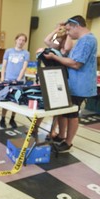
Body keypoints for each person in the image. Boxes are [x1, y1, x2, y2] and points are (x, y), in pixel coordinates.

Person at [44, 15, 98, 152]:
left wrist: (54, 57)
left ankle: (68, 143)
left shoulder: (87, 40)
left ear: (76, 26)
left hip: (80, 85)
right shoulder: (82, 40)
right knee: (64, 112)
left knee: (73, 114)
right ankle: (62, 136)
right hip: (73, 83)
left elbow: (76, 64)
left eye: (69, 30)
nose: (67, 33)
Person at [34, 24, 74, 138]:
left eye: (59, 40)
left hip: (60, 80)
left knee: (56, 109)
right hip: (49, 78)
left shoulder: (64, 50)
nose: (55, 41)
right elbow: (46, 39)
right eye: (55, 39)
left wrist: (67, 33)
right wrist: (56, 30)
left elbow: (66, 47)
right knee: (44, 105)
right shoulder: (52, 48)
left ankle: (52, 131)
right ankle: (35, 128)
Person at [0, 33, 30, 128]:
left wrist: (18, 80)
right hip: (8, 78)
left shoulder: (26, 53)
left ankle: (12, 118)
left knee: (15, 99)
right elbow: (4, 66)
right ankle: (3, 118)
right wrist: (2, 78)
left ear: (25, 42)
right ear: (16, 40)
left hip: (19, 80)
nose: (21, 42)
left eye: (23, 40)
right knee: (5, 99)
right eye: (19, 39)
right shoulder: (8, 51)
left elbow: (24, 68)